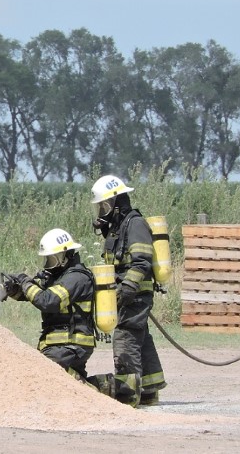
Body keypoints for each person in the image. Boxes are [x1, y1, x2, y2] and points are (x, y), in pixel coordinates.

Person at [90, 174, 166, 407]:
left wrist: (126, 291)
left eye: (104, 206)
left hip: (134, 294)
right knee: (139, 336)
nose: (101, 211)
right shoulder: (118, 227)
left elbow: (142, 262)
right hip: (126, 293)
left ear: (116, 203)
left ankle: (129, 393)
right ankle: (150, 388)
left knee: (125, 336)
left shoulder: (135, 224)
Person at [3, 228, 96, 383]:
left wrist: (25, 282)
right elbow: (34, 295)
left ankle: (93, 390)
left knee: (48, 374)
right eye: (47, 260)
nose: (48, 265)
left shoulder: (76, 278)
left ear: (65, 256)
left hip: (71, 345)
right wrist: (15, 290)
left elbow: (47, 301)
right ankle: (101, 386)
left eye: (51, 259)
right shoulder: (59, 277)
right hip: (59, 346)